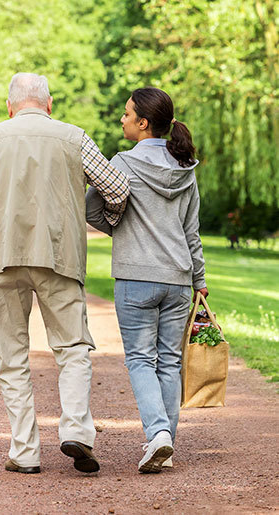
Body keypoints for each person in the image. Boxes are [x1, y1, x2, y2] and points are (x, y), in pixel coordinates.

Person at [0, 73, 130, 474]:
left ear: (9, 106)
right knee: (72, 349)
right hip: (59, 255)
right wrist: (104, 219)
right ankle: (77, 432)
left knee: (12, 359)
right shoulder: (73, 136)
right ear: (49, 105)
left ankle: (26, 452)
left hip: (1, 257)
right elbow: (117, 189)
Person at [86, 87, 208, 473]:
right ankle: (165, 441)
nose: (121, 119)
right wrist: (199, 280)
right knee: (169, 363)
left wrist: (119, 228)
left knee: (140, 359)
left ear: (143, 123)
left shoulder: (121, 163)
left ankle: (158, 434)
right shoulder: (185, 168)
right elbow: (192, 232)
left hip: (136, 277)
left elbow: (91, 207)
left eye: (126, 114)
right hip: (178, 280)